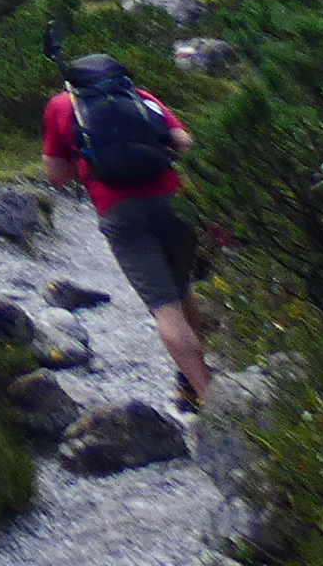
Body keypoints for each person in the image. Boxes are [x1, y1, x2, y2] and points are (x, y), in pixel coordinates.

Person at [40, 52, 212, 406]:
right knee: (180, 288)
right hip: (174, 201)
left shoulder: (60, 105)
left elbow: (56, 177)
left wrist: (89, 161)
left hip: (120, 212)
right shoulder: (142, 97)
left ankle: (206, 396)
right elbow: (185, 144)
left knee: (165, 308)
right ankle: (189, 380)